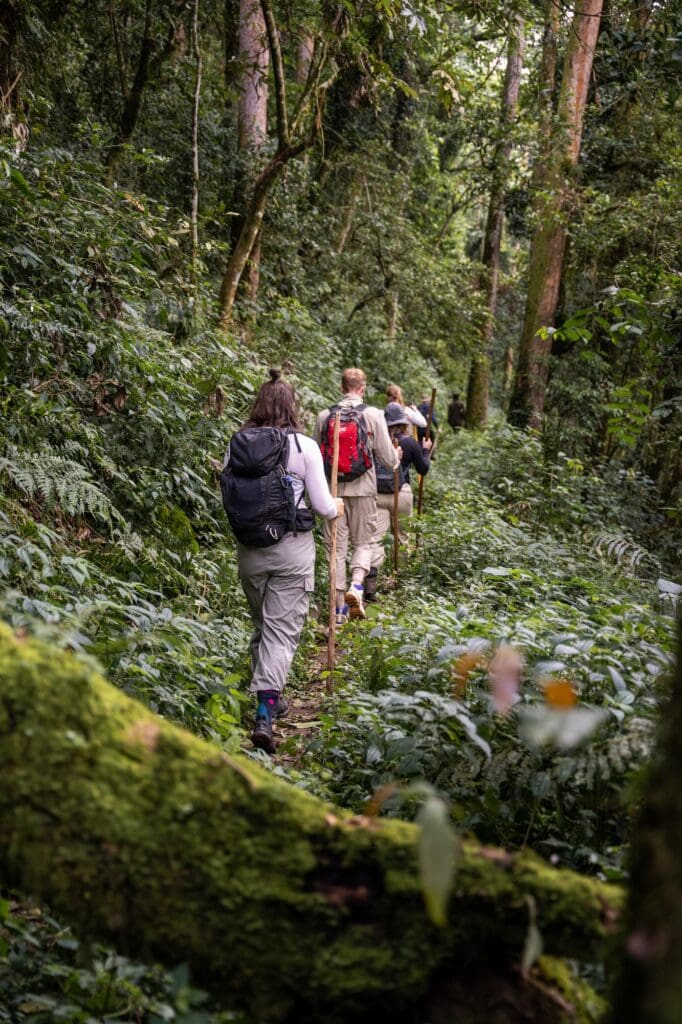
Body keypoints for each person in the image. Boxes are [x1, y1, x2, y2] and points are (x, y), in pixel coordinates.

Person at [221, 370, 344, 754]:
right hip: (292, 550)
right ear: (293, 407)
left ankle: (271, 698)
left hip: (250, 551)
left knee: (264, 626)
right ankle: (264, 712)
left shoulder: (237, 445)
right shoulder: (304, 446)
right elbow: (323, 506)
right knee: (279, 633)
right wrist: (337, 507)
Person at [315, 368, 399, 623]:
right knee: (364, 542)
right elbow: (388, 459)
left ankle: (339, 610)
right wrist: (397, 458)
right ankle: (357, 584)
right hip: (364, 489)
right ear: (363, 389)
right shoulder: (373, 415)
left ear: (342, 388)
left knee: (336, 549)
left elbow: (315, 456)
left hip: (333, 492)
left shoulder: (324, 416)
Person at [366, 403, 431, 601]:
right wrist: (425, 451)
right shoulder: (409, 442)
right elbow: (423, 469)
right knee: (402, 537)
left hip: (378, 494)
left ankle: (371, 582)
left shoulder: (376, 440)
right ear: (403, 423)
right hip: (401, 494)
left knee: (376, 538)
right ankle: (399, 581)